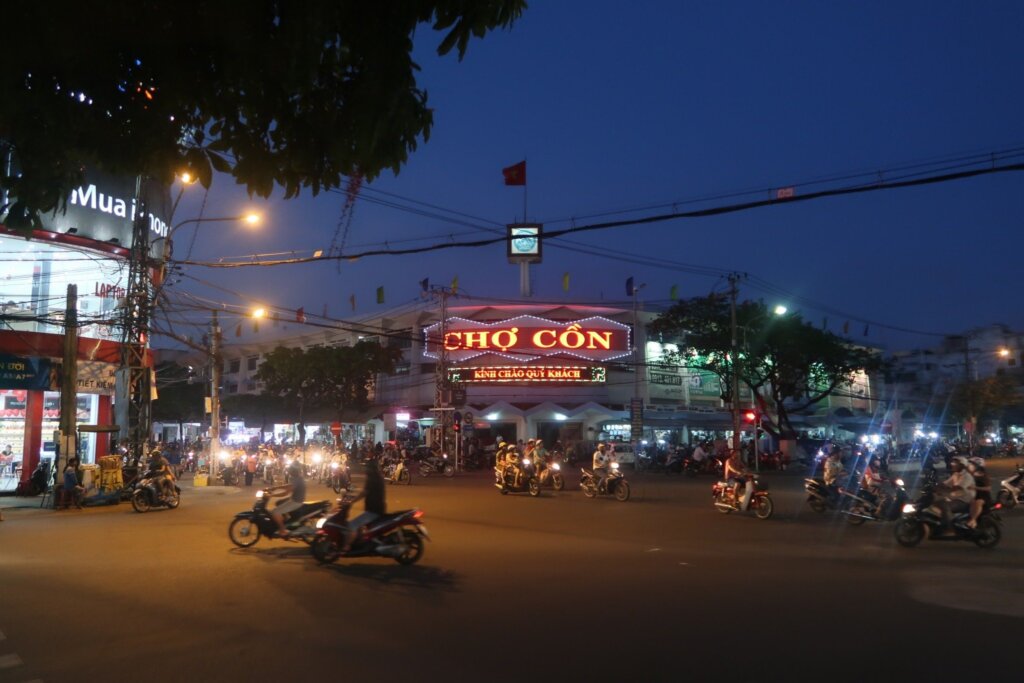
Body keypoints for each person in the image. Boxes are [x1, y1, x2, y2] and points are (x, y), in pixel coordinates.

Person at [341, 457, 386, 552]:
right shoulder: (378, 477)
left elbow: (364, 493)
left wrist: (352, 501)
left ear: (370, 469)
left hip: (373, 511)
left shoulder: (373, 479)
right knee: (360, 525)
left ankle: (346, 547)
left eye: (367, 467)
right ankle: (360, 542)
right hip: (376, 508)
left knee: (352, 524)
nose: (365, 469)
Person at [935, 456, 975, 531]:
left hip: (964, 501)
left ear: (962, 465)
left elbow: (958, 488)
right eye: (952, 462)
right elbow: (945, 484)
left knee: (945, 506)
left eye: (955, 463)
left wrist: (943, 491)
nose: (952, 464)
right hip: (955, 499)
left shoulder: (967, 476)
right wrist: (934, 487)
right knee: (936, 503)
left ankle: (949, 527)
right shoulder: (955, 474)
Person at [270, 460, 306, 537]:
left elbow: (286, 493)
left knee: (275, 512)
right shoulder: (296, 477)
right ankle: (286, 519)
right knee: (278, 503)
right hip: (294, 499)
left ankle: (283, 530)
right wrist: (275, 488)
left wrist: (272, 495)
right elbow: (288, 486)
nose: (289, 470)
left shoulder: (297, 479)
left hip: (296, 502)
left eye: (290, 469)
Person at [966, 457, 991, 529]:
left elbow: (988, 488)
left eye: (971, 464)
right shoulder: (970, 474)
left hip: (983, 497)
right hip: (973, 495)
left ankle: (973, 520)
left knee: (978, 502)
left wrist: (975, 488)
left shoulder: (982, 475)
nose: (969, 465)